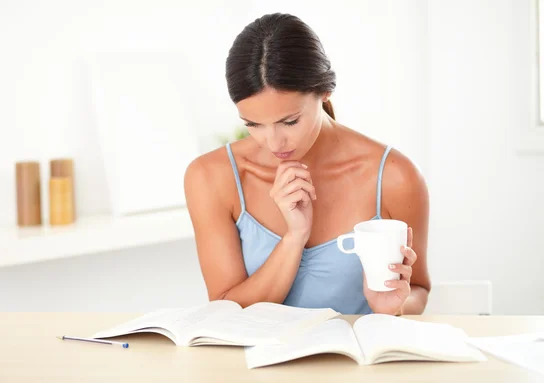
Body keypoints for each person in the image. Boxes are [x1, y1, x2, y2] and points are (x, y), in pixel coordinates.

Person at [184, 13, 431, 316]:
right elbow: (225, 309)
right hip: (254, 362)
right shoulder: (211, 177)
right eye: (253, 124)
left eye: (289, 121)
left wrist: (394, 305)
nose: (273, 143)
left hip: (357, 361)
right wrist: (294, 238)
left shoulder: (395, 177)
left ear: (324, 91)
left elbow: (418, 288)